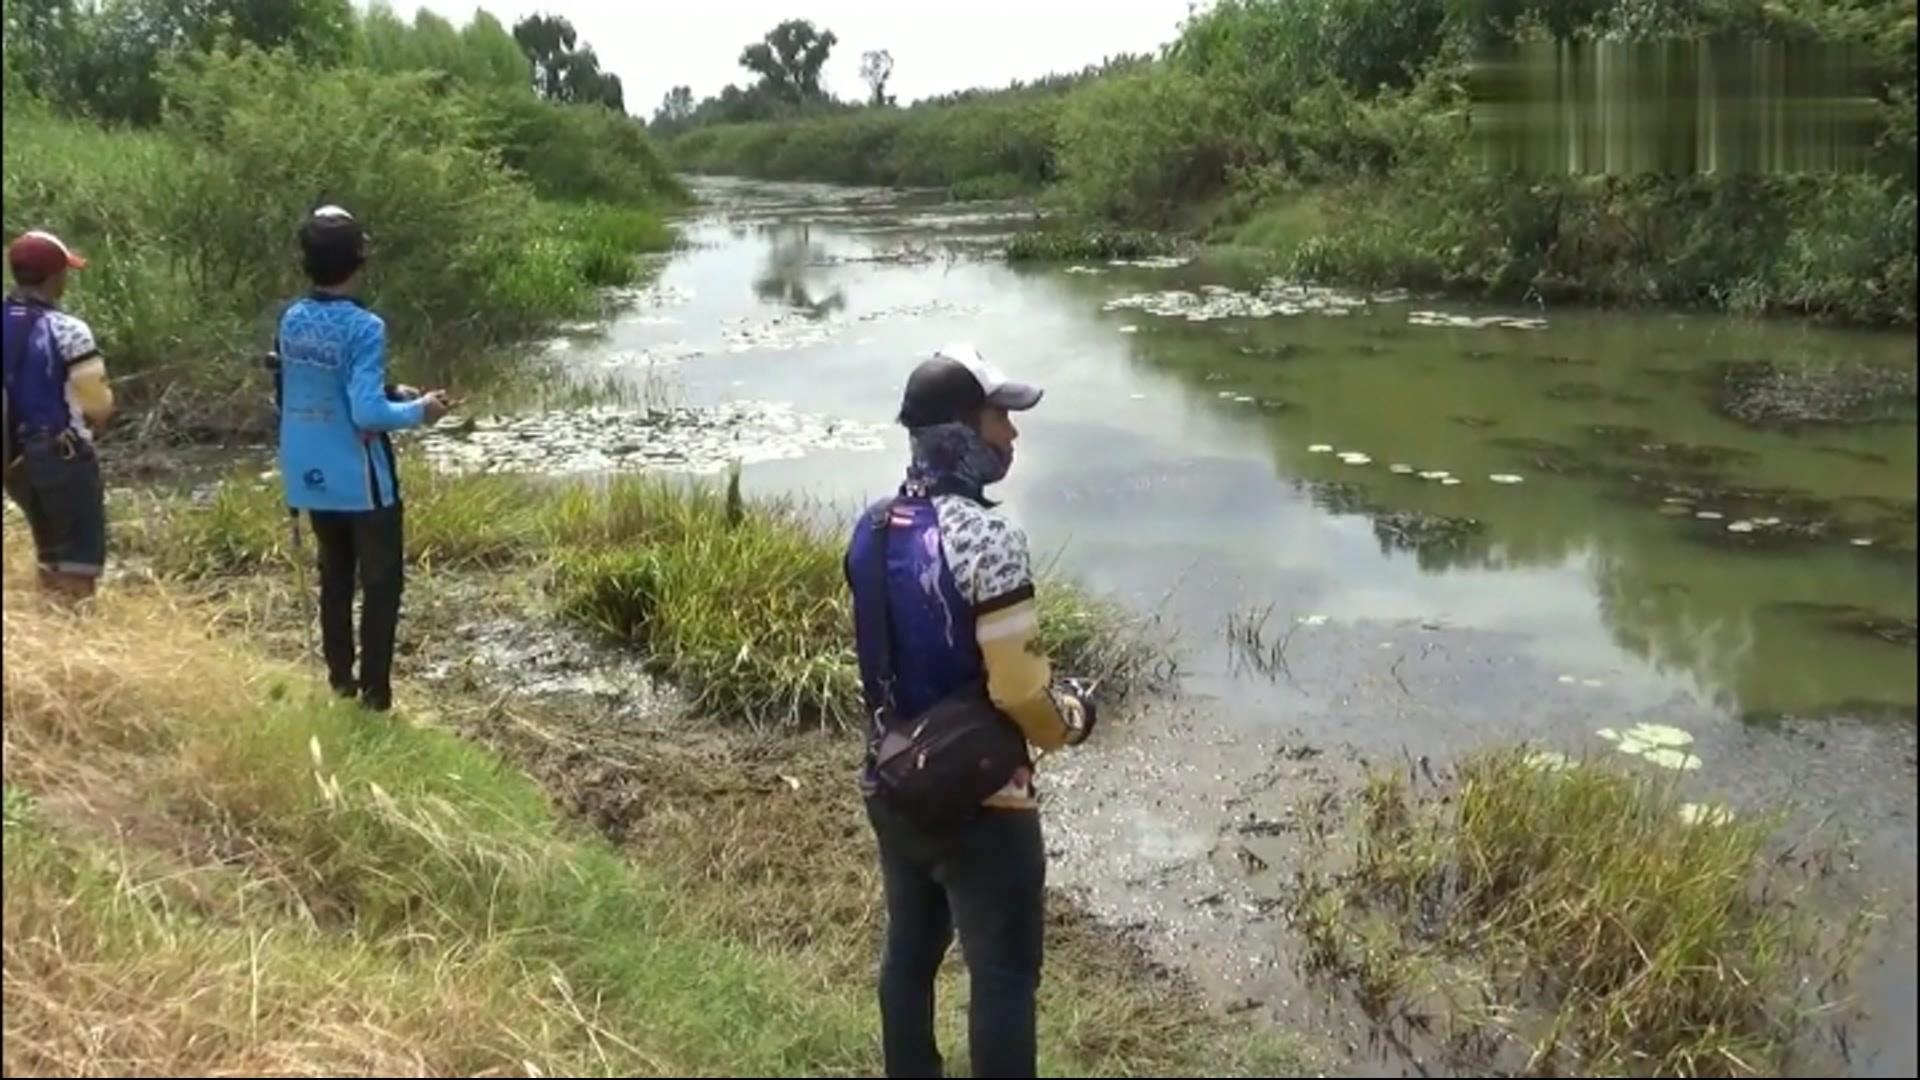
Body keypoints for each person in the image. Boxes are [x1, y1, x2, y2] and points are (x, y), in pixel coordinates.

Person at [844, 343, 1098, 1079]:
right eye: (998, 418)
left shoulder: (871, 529)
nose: (1011, 435)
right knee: (1004, 979)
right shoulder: (987, 536)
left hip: (896, 780)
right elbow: (1018, 692)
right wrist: (1071, 721)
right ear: (959, 430)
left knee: (908, 959)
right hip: (984, 804)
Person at [274, 205, 450, 712]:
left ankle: (339, 681)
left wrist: (391, 390)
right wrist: (420, 410)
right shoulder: (365, 326)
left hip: (310, 474)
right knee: (380, 585)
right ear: (358, 260)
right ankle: (375, 697)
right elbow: (367, 413)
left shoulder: (291, 319)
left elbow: (308, 389)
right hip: (361, 479)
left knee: (334, 576)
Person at [3, 229, 114, 604]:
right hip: (62, 456)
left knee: (48, 554)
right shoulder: (68, 330)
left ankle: (51, 624)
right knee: (77, 564)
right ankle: (76, 631)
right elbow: (98, 407)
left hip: (13, 459)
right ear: (55, 275)